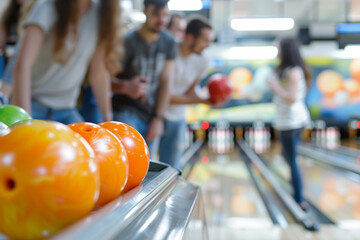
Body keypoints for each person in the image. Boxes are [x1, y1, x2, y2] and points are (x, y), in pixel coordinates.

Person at [11, 0, 121, 124]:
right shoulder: (47, 7)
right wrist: (27, 120)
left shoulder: (100, 15)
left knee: (87, 142)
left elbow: (99, 73)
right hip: (33, 104)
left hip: (67, 110)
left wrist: (108, 119)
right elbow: (22, 65)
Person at [112, 0, 176, 151]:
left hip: (151, 113)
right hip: (125, 111)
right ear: (145, 11)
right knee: (129, 164)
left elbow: (166, 82)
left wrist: (158, 118)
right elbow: (105, 81)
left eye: (165, 15)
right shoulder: (127, 41)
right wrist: (126, 87)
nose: (162, 20)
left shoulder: (168, 42)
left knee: (147, 168)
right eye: (156, 14)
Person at [158, 18, 217, 168]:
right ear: (190, 37)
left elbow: (190, 93)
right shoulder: (169, 51)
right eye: (205, 40)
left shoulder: (203, 60)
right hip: (155, 115)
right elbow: (162, 96)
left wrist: (209, 99)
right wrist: (201, 100)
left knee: (173, 169)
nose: (208, 45)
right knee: (148, 168)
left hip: (178, 118)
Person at [267, 37, 312, 211]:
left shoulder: (292, 71)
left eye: (278, 49)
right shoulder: (288, 70)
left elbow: (292, 98)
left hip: (292, 121)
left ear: (286, 51)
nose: (277, 52)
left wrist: (274, 86)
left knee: (291, 158)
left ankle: (299, 198)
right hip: (288, 120)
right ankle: (296, 190)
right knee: (288, 157)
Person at [0, 0, 26, 104]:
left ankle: (4, 95)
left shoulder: (34, 12)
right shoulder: (10, 14)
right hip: (7, 57)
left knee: (17, 57)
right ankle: (4, 95)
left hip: (18, 58)